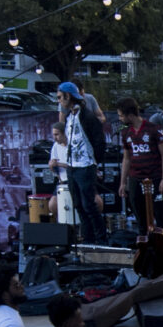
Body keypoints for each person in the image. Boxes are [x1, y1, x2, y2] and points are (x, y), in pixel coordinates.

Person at [53, 82, 107, 234]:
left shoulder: (87, 116)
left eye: (60, 97)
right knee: (78, 204)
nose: (59, 101)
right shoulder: (70, 116)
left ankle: (100, 238)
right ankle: (88, 238)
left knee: (89, 204)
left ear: (68, 96)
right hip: (72, 166)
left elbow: (99, 141)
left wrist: (93, 161)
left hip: (85, 166)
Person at [118, 97, 163, 235]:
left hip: (154, 175)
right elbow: (126, 159)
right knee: (138, 209)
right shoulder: (126, 132)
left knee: (159, 211)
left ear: (129, 115)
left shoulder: (153, 129)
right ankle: (144, 240)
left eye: (121, 115)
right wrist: (122, 182)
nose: (119, 119)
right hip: (135, 177)